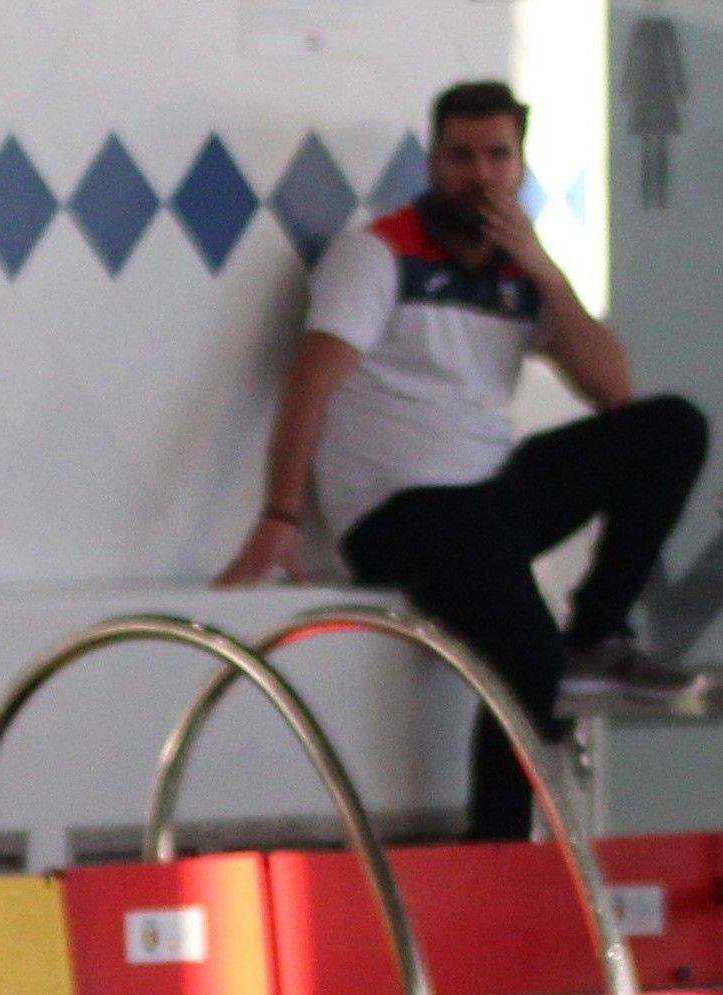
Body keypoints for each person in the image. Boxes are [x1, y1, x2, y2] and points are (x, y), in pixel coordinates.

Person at [218, 76, 712, 839]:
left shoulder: (519, 272)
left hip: (488, 496)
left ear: (518, 165)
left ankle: (597, 633)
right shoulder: (378, 253)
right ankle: (496, 848)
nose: (478, 175)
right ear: (431, 161)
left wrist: (544, 270)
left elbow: (613, 389)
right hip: (401, 511)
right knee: (527, 657)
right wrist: (279, 513)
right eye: (459, 157)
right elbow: (308, 381)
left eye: (495, 157)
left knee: (671, 427)